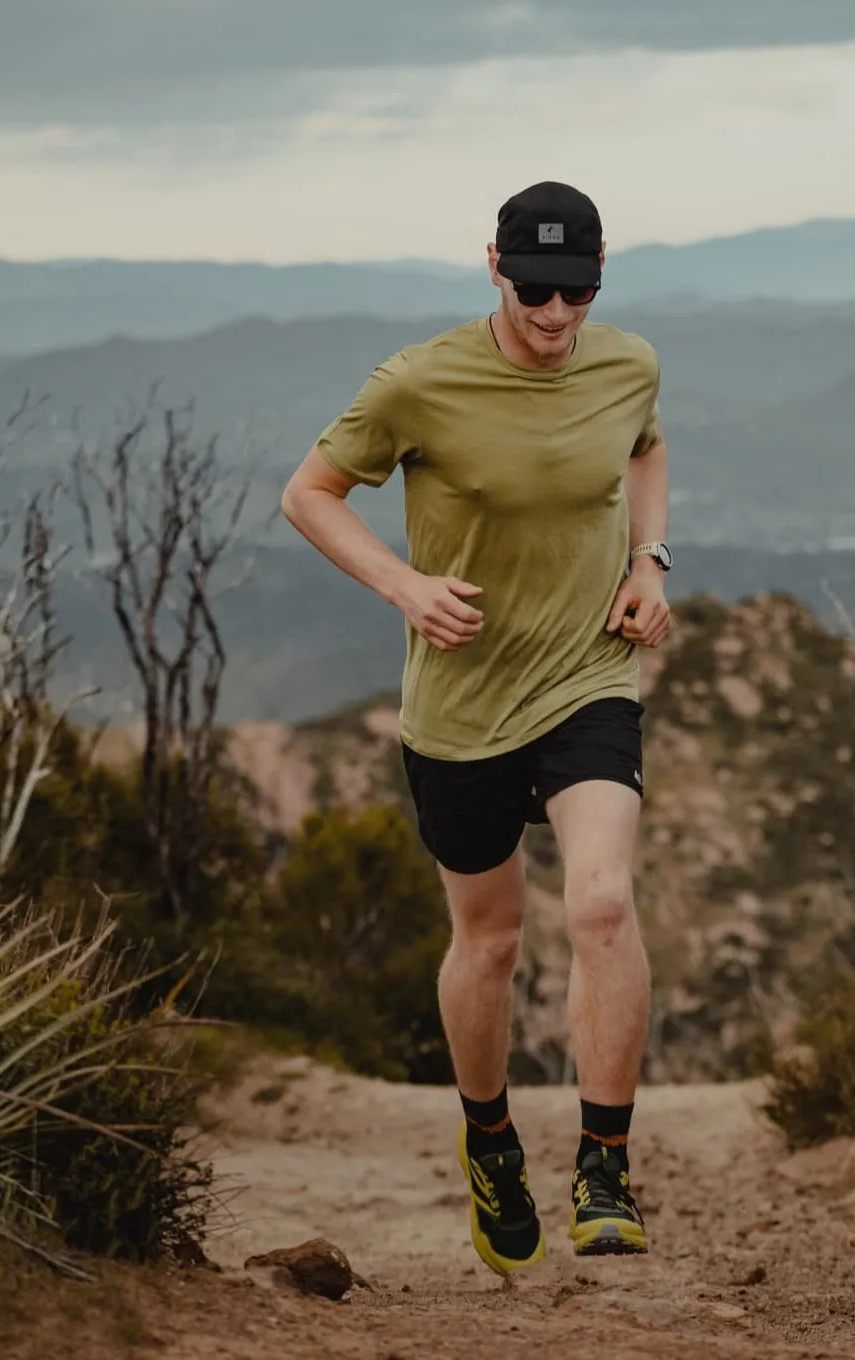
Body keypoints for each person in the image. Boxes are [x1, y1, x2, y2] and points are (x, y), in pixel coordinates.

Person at [280, 181, 673, 1275]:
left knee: (600, 902)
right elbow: (308, 495)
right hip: (458, 706)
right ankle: (490, 1138)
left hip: (587, 675)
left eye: (578, 293)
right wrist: (404, 587)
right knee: (490, 940)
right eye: (536, 291)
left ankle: (604, 1167)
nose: (556, 317)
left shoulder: (626, 362)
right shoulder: (418, 382)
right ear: (492, 265)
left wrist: (648, 561)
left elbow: (645, 448)